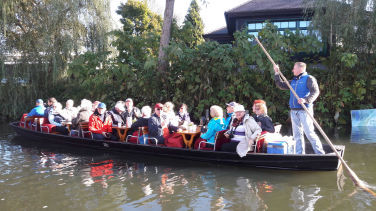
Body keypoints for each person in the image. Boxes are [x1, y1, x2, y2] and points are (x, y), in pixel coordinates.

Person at [274, 62, 325, 154]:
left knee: (309, 133)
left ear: (300, 69)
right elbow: (280, 85)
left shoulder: (309, 79)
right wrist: (277, 73)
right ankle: (299, 154)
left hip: (305, 111)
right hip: (294, 111)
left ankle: (320, 153)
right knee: (297, 135)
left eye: (294, 68)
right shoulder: (293, 81)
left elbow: (315, 92)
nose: (292, 70)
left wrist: (306, 100)